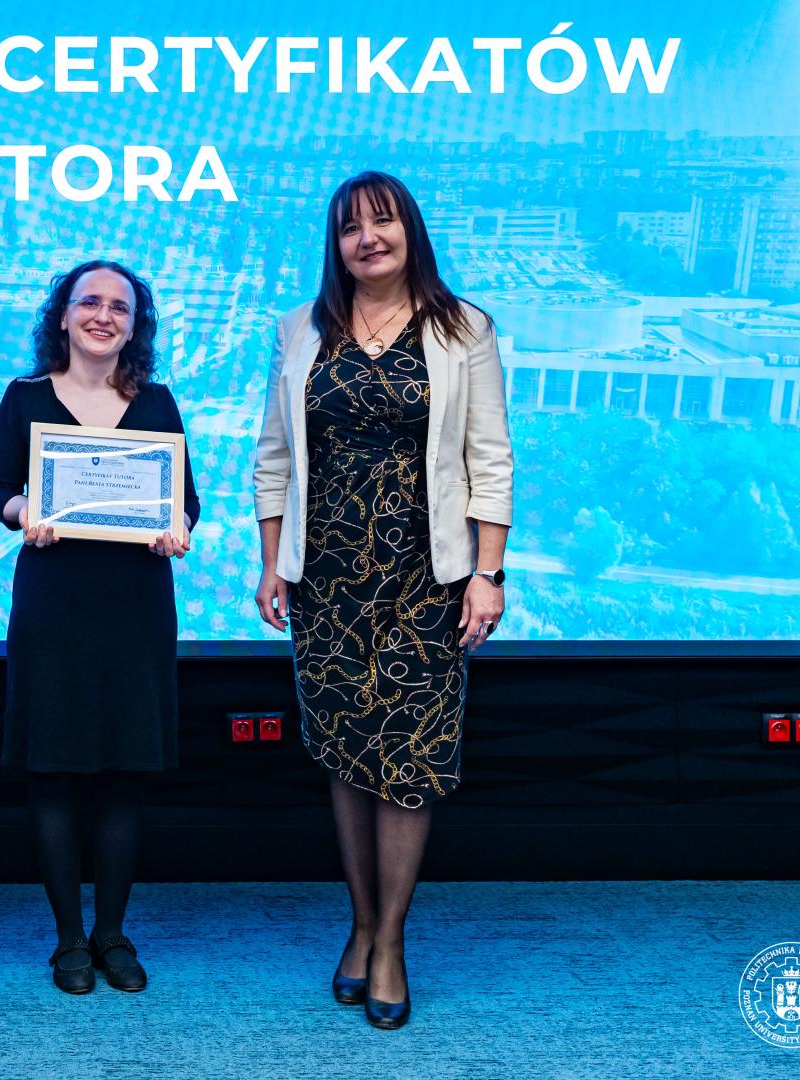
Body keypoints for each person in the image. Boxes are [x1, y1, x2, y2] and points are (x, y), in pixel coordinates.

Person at [252, 171, 513, 1030]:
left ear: (411, 231)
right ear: (335, 245)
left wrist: (488, 572)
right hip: (326, 581)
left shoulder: (463, 327)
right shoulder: (300, 328)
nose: (367, 238)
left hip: (424, 580)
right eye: (350, 228)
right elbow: (274, 458)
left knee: (410, 761)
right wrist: (271, 565)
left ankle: (392, 940)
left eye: (383, 222)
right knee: (345, 753)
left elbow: (490, 457)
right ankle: (360, 925)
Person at [0, 260, 199, 995]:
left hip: (135, 606)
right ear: (64, 315)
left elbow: (187, 502)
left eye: (120, 307)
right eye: (90, 302)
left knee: (123, 774)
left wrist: (177, 526)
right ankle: (69, 940)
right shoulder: (25, 397)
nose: (104, 316)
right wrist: (25, 512)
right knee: (54, 771)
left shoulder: (158, 403)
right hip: (54, 602)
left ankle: (112, 934)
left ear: (135, 327)